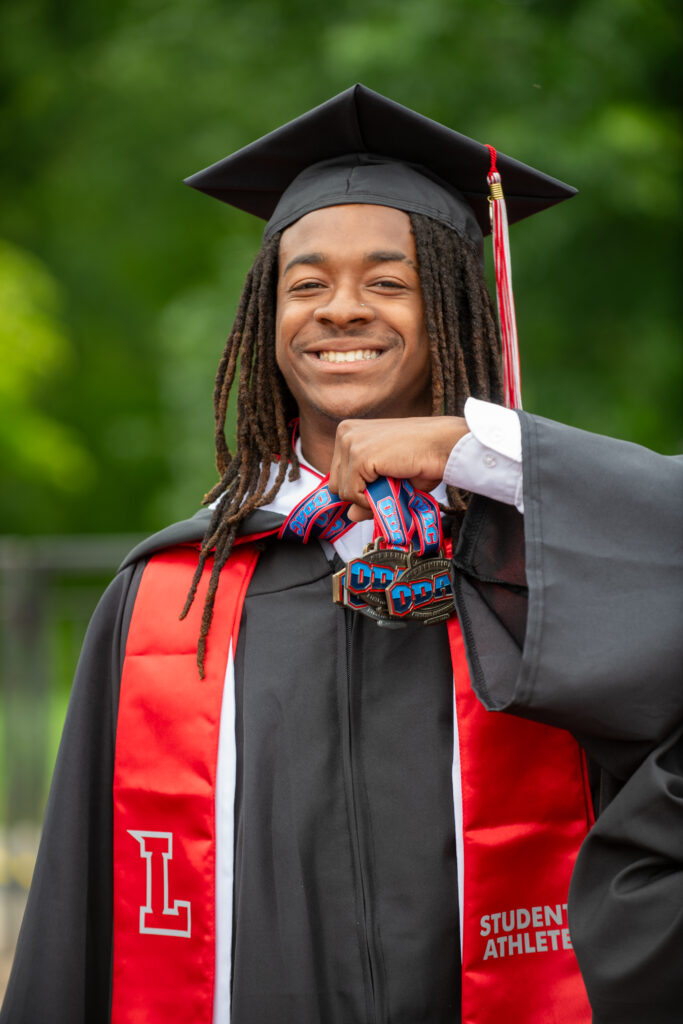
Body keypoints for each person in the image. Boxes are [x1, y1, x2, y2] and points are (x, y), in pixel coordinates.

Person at [2, 85, 682, 1024]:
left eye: (388, 281)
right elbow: (77, 921)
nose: (341, 311)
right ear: (267, 315)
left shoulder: (548, 565)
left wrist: (478, 458)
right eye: (307, 282)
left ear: (451, 304)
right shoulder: (168, 598)